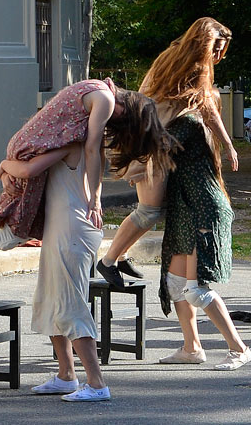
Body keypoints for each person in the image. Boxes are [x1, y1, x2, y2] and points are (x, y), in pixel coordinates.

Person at [0, 79, 175, 302]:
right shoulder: (104, 101)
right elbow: (91, 150)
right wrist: (94, 199)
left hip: (31, 147)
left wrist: (95, 195)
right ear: (128, 112)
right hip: (31, 152)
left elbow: (97, 148)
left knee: (26, 226)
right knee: (16, 228)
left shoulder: (98, 94)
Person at [97, 18, 238, 288]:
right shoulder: (195, 67)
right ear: (204, 43)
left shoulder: (172, 56)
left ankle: (121, 255)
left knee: (156, 209)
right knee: (149, 211)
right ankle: (107, 261)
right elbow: (207, 107)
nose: (219, 56)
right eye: (217, 49)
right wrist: (228, 144)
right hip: (150, 145)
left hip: (149, 139)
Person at [5, 141, 111, 402]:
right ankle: (66, 375)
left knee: (70, 305)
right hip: (63, 229)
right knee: (53, 301)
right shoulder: (85, 148)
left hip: (71, 230)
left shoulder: (73, 147)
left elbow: (28, 170)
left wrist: (3, 165)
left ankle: (97, 383)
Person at [156, 104, 251, 370]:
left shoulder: (188, 121)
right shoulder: (185, 120)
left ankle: (239, 349)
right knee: (176, 284)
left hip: (203, 211)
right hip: (188, 211)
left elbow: (155, 147)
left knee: (196, 291)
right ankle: (192, 348)